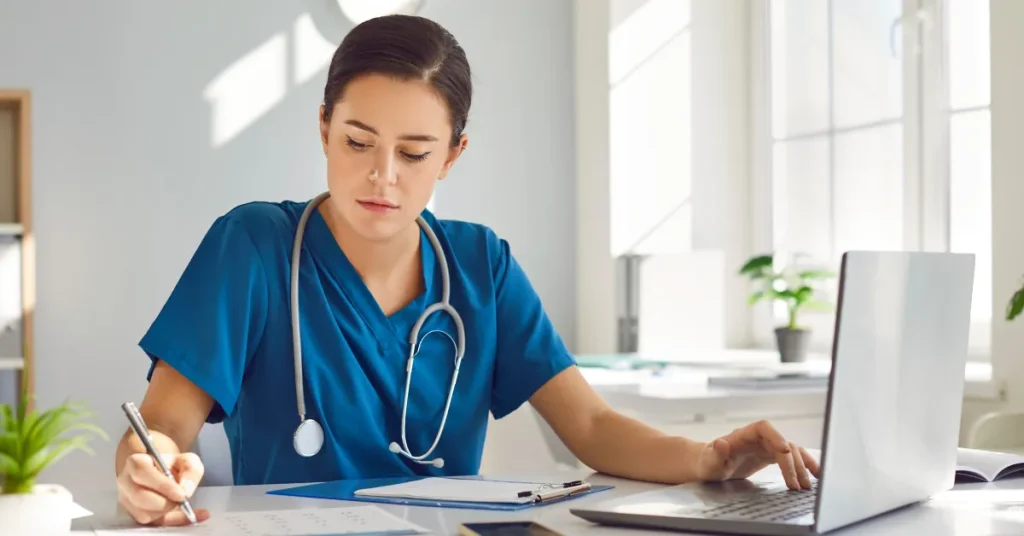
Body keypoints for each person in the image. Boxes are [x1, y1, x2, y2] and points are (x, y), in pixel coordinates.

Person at [113, 14, 820, 527]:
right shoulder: (253, 246)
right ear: (323, 127)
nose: (381, 176)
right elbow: (163, 424)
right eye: (358, 141)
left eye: (415, 153)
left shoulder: (481, 265)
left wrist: (709, 458)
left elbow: (593, 426)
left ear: (452, 155)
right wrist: (146, 470)